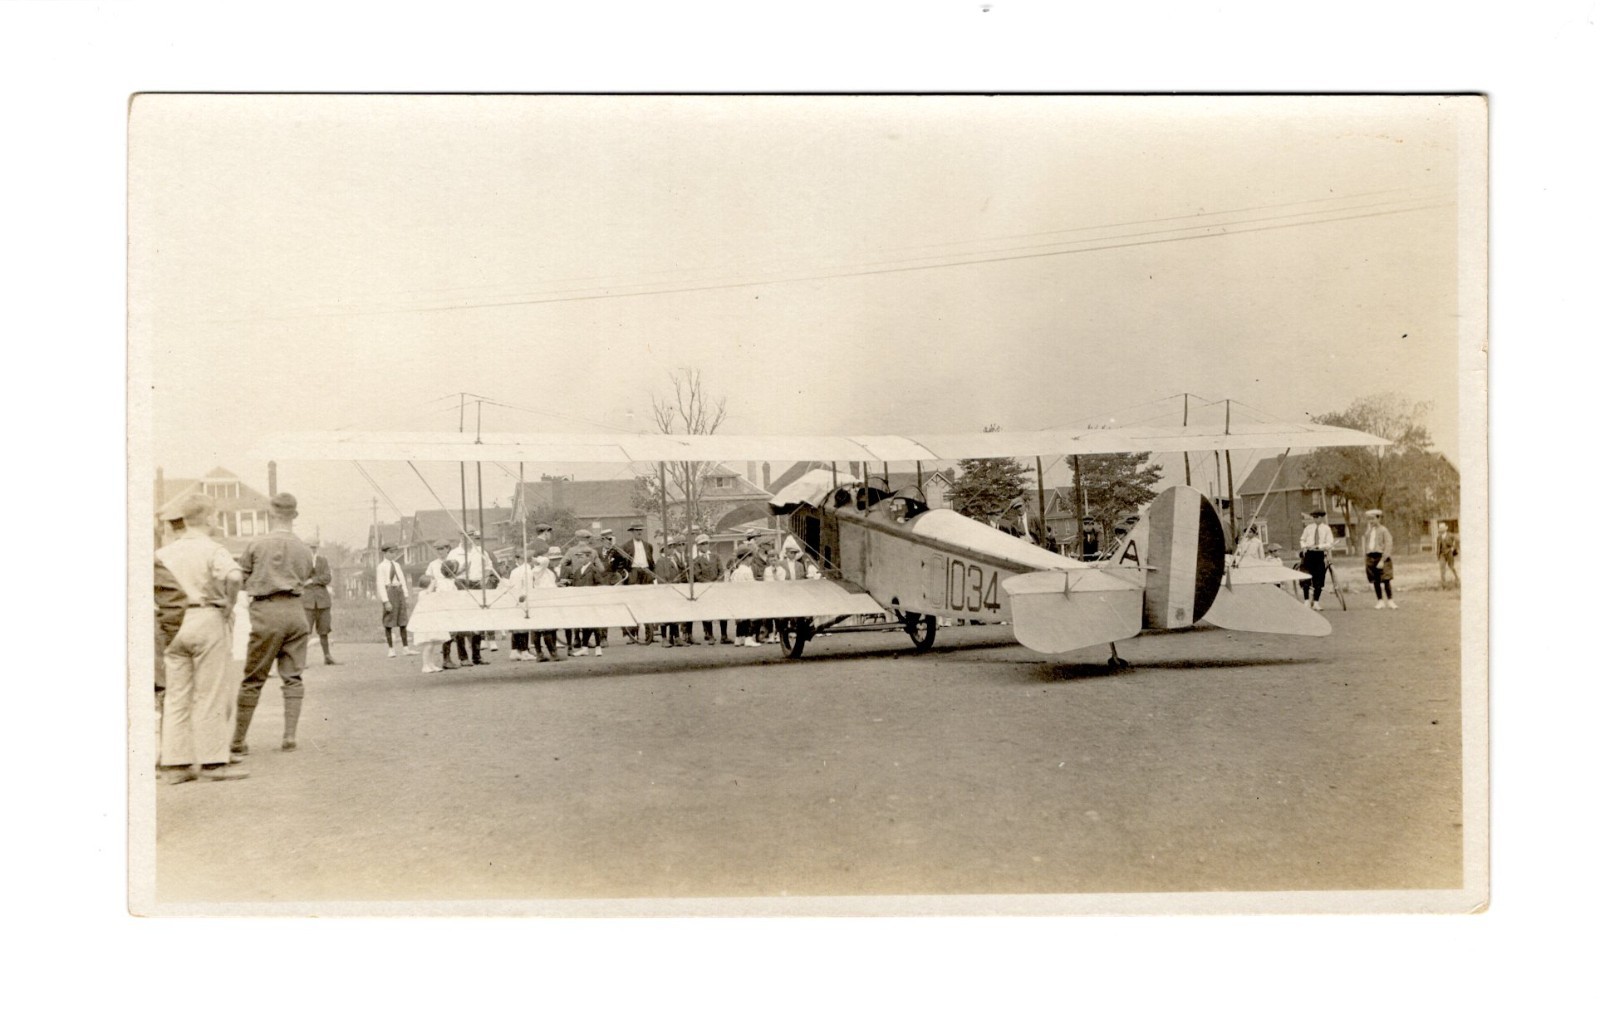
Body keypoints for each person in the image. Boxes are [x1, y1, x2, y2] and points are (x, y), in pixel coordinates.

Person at [156, 495, 249, 783]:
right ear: (208, 518)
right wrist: (229, 603)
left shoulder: (164, 552)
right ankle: (212, 761)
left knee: (176, 694)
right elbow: (234, 576)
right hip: (206, 616)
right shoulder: (212, 548)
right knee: (209, 692)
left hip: (171, 622)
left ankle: (175, 764)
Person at [232, 492, 314, 757]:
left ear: (271, 513)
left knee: (253, 677)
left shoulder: (257, 543)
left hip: (266, 612)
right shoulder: (304, 548)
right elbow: (305, 576)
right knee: (293, 676)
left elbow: (241, 578)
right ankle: (289, 736)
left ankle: (238, 740)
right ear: (295, 516)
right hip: (295, 611)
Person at [421, 541, 460, 669]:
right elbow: (428, 581)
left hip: (452, 595)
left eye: (442, 549)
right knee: (444, 630)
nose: (440, 551)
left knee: (454, 630)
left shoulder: (454, 561)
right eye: (437, 549)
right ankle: (446, 659)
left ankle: (460, 657)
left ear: (448, 549)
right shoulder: (433, 565)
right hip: (439, 599)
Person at [375, 544, 418, 658]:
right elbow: (380, 584)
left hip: (399, 592)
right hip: (389, 591)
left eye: (394, 552)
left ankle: (405, 648)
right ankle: (391, 649)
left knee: (403, 620)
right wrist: (386, 601)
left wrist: (406, 596)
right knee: (389, 621)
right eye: (391, 552)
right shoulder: (381, 566)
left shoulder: (397, 565)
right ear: (385, 553)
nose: (393, 555)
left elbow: (402, 580)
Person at [302, 539, 339, 664]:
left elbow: (327, 577)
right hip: (307, 602)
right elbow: (300, 578)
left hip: (323, 601)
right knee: (305, 631)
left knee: (324, 629)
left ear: (317, 548)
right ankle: (302, 660)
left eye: (314, 547)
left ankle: (327, 656)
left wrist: (312, 580)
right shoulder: (301, 562)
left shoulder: (323, 561)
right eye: (310, 547)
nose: (312, 550)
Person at [620, 522, 656, 643]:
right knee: (633, 603)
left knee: (648, 603)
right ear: (632, 532)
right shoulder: (626, 546)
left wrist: (652, 574)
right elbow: (620, 564)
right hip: (633, 574)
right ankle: (633, 635)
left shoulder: (648, 546)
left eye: (640, 530)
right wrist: (626, 574)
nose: (639, 532)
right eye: (636, 530)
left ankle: (649, 633)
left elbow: (651, 562)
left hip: (646, 573)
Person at [692, 533, 730, 645]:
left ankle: (724, 635)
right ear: (698, 546)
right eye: (702, 544)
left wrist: (718, 582)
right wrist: (708, 584)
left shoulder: (716, 556)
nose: (705, 546)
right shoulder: (696, 560)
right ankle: (710, 635)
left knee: (722, 611)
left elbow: (721, 571)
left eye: (706, 543)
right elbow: (697, 575)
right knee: (707, 612)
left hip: (717, 588)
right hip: (705, 590)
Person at [1298, 508, 1335, 611]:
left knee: (1319, 578)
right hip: (1309, 554)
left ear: (1322, 518)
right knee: (1306, 576)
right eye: (1313, 517)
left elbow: (1330, 542)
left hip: (1319, 554)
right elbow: (1302, 539)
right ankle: (1306, 600)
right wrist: (1304, 546)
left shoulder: (1326, 529)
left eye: (1317, 517)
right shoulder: (1308, 528)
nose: (1315, 519)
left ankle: (1316, 602)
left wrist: (1320, 546)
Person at [1363, 508, 1397, 609]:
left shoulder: (1383, 530)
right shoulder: (1369, 531)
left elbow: (1388, 545)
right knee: (1375, 580)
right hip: (1371, 557)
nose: (1371, 521)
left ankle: (1390, 601)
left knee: (1386, 579)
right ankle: (1380, 601)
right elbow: (1366, 543)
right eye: (1369, 519)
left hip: (1381, 556)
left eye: (1373, 519)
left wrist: (1383, 560)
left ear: (1378, 519)